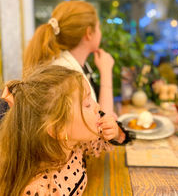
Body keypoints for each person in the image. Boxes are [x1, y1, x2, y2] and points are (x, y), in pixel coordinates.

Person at [0, 65, 128, 196]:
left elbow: (103, 143)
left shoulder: (73, 144)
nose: (97, 107)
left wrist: (114, 132)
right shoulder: (39, 189)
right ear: (58, 129)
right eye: (88, 104)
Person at [23, 1, 114, 116]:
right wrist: (106, 72)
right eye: (98, 27)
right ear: (89, 33)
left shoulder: (74, 64)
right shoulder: (66, 76)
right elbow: (102, 124)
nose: (100, 32)